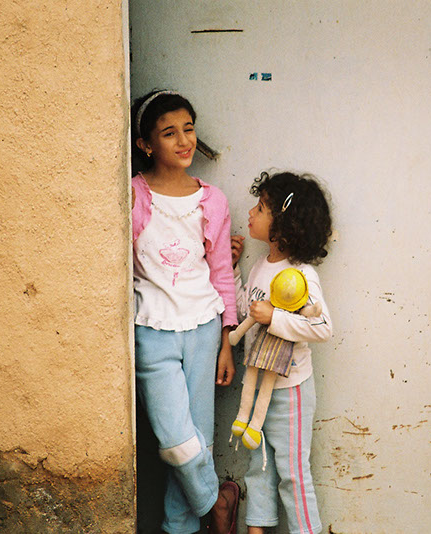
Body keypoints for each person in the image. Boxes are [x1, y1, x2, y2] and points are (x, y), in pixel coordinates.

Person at [131, 90, 239, 534]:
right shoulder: (133, 195)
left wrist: (227, 340)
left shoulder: (212, 200)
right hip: (151, 330)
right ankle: (218, 502)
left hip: (204, 328)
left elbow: (221, 272)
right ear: (146, 144)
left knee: (200, 438)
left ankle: (181, 527)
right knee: (177, 443)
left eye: (188, 129)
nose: (183, 141)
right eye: (169, 133)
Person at [231, 171, 333, 534]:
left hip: (290, 392)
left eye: (260, 208)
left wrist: (275, 318)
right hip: (257, 388)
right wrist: (232, 269)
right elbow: (246, 313)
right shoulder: (261, 266)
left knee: (292, 473)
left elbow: (322, 327)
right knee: (258, 468)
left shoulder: (301, 274)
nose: (251, 213)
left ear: (284, 226)